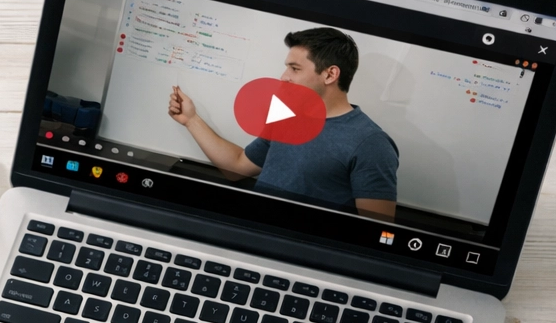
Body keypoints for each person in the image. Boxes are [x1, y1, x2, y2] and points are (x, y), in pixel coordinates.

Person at [167, 27, 398, 220]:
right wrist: (191, 120)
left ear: (330, 75)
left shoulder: (371, 144)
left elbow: (375, 233)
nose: (284, 76)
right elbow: (238, 167)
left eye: (295, 69)